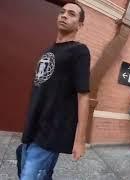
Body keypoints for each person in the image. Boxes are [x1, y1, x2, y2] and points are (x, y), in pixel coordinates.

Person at [18, 2, 90, 179]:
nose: (64, 15)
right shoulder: (47, 51)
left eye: (71, 14)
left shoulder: (79, 51)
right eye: (62, 12)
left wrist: (80, 140)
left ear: (80, 25)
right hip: (32, 129)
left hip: (51, 133)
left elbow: (83, 96)